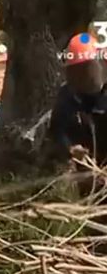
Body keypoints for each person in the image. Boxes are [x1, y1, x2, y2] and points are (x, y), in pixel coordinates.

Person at [49, 33, 107, 201]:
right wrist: (70, 148)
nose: (85, 75)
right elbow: (57, 131)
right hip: (87, 177)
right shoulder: (66, 97)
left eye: (88, 68)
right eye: (79, 70)